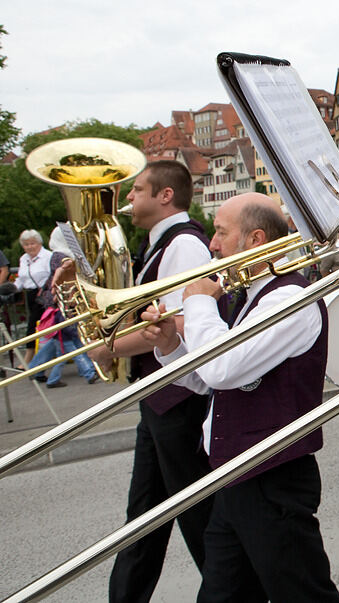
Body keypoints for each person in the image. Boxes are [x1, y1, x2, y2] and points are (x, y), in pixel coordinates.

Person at [141, 192, 339, 602]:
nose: (212, 245)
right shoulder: (246, 298)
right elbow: (209, 383)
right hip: (235, 475)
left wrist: (196, 303)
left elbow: (222, 368)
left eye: (220, 232)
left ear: (254, 239)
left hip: (272, 478)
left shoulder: (291, 298)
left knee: (303, 594)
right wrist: (171, 345)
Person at [95, 161, 215, 603]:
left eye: (137, 190)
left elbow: (172, 326)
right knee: (144, 521)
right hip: (161, 400)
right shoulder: (159, 245)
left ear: (165, 195)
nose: (128, 199)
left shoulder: (184, 246)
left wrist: (108, 347)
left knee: (200, 520)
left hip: (180, 399)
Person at [25, 227, 99, 388]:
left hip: (59, 302)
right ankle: (88, 371)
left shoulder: (57, 253)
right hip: (61, 304)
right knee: (68, 342)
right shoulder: (60, 255)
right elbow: (63, 268)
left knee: (62, 341)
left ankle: (35, 369)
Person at [14, 229, 53, 366]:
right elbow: (21, 278)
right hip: (31, 294)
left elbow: (52, 275)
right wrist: (12, 289)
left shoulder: (48, 256)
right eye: (26, 244)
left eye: (32, 243)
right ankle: (41, 359)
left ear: (39, 243)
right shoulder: (23, 259)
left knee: (34, 326)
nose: (29, 247)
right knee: (36, 326)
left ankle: (29, 359)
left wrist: (45, 289)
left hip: (46, 295)